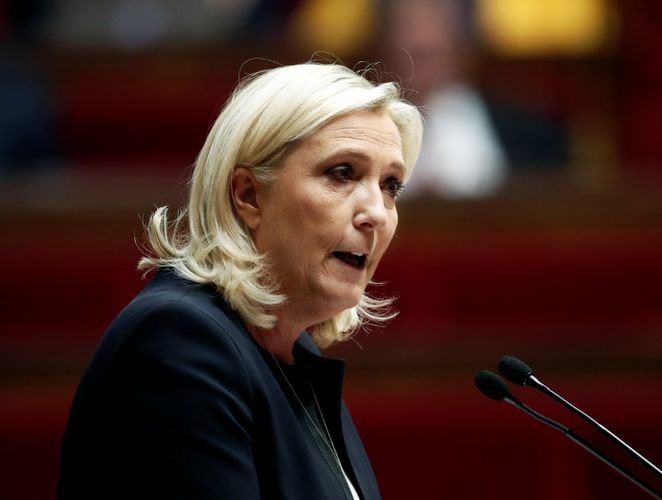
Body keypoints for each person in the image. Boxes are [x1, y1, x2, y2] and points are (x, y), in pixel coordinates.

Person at [57, 62, 423, 500]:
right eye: (342, 173)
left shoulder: (291, 351)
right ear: (248, 195)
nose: (377, 214)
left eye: (391, 185)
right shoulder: (180, 342)